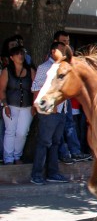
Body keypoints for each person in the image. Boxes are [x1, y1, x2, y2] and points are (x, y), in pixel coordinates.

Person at [30, 41, 70, 184]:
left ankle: (53, 173)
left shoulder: (64, 67)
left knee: (55, 142)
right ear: (53, 52)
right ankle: (37, 174)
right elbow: (35, 87)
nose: (64, 52)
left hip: (61, 110)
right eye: (61, 49)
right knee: (44, 142)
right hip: (49, 110)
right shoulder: (44, 67)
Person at [0, 45, 35, 164]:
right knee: (10, 131)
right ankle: (8, 158)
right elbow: (2, 89)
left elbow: (35, 89)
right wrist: (5, 105)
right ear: (11, 57)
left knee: (22, 132)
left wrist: (34, 106)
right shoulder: (6, 71)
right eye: (17, 54)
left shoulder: (30, 70)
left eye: (22, 54)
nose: (20, 56)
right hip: (11, 105)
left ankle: (17, 155)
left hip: (27, 106)